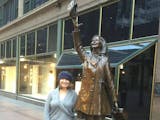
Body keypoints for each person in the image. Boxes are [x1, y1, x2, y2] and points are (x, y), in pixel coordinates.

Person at [69, 1, 119, 120]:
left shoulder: (104, 60)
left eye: (96, 40)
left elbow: (110, 81)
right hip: (85, 97)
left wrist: (115, 100)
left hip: (98, 97)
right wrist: (76, 28)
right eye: (92, 41)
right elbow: (78, 46)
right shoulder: (86, 56)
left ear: (101, 43)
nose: (93, 41)